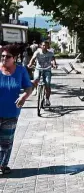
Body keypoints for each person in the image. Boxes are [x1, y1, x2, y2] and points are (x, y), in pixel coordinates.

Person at [0, 44, 33, 175]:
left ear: (14, 58)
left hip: (11, 112)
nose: (4, 58)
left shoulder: (21, 71)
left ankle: (2, 166)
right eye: (2, 56)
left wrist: (24, 96)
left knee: (6, 142)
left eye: (7, 56)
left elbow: (28, 87)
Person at [28, 41, 57, 106]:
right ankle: (35, 89)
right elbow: (33, 58)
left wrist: (54, 64)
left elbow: (53, 59)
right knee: (36, 79)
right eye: (43, 45)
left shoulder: (50, 53)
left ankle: (47, 99)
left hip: (47, 70)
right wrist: (30, 64)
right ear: (41, 46)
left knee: (47, 84)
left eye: (46, 45)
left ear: (48, 46)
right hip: (38, 69)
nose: (44, 47)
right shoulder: (38, 52)